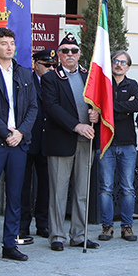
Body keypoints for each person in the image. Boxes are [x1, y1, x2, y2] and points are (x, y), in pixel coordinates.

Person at [0, 27, 39, 264]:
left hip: (19, 143)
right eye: (4, 43)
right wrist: (5, 132)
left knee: (15, 195)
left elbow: (33, 107)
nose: (9, 47)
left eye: (12, 42)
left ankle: (10, 244)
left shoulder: (24, 74)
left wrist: (21, 132)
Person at [42, 34, 99, 251]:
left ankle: (79, 234)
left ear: (79, 54)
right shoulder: (51, 77)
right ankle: (57, 235)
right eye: (64, 51)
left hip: (87, 140)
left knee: (82, 191)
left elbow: (98, 101)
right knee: (58, 191)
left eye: (73, 51)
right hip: (62, 139)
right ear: (58, 54)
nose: (69, 55)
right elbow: (52, 107)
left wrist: (96, 114)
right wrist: (76, 125)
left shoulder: (89, 76)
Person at [98, 50, 138, 242]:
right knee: (105, 188)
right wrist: (122, 106)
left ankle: (127, 226)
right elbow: (98, 108)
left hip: (127, 144)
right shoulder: (102, 84)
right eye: (116, 61)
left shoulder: (132, 85)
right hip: (106, 142)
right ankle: (107, 226)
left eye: (123, 62)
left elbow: (136, 106)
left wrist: (110, 107)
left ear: (128, 67)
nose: (119, 65)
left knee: (127, 187)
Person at [19, 48, 55, 241]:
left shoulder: (55, 82)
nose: (50, 69)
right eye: (46, 65)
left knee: (45, 186)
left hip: (47, 141)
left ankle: (43, 224)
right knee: (24, 186)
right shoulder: (26, 82)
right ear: (36, 65)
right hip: (27, 139)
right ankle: (22, 225)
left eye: (53, 65)